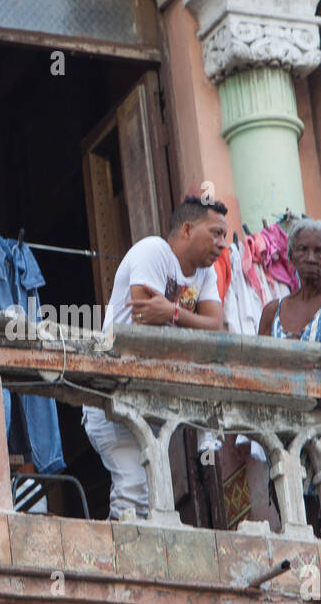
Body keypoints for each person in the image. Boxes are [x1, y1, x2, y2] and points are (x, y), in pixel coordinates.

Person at [83, 196, 229, 520]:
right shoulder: (153, 251)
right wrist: (187, 323)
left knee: (148, 498)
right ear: (188, 228)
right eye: (215, 233)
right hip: (111, 392)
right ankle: (120, 562)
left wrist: (173, 311)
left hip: (149, 397)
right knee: (133, 492)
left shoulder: (204, 274)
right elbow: (145, 321)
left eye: (224, 236)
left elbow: (215, 328)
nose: (221, 244)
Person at [259, 217, 321, 346]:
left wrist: (294, 351)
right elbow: (260, 361)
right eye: (303, 249)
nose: (311, 258)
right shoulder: (272, 312)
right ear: (291, 256)